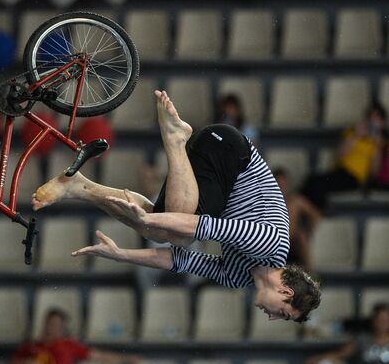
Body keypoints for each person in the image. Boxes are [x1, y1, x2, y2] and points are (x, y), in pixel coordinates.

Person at [32, 90, 321, 323]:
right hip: (229, 151)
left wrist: (121, 254)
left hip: (212, 175)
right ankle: (175, 139)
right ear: (285, 291)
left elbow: (178, 260)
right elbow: (202, 227)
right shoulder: (269, 245)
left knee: (160, 226)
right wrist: (148, 220)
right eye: (282, 313)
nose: (271, 318)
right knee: (174, 229)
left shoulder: (237, 277)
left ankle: (79, 187)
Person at [302, 102, 386, 209]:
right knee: (311, 181)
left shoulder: (380, 143)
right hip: (340, 171)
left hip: (355, 179)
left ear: (382, 123)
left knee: (315, 184)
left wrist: (377, 147)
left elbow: (374, 172)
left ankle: (317, 211)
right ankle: (316, 210)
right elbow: (339, 155)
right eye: (370, 119)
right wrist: (356, 135)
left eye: (376, 120)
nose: (372, 123)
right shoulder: (353, 132)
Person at [11, 309, 140, 364]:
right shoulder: (30, 347)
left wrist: (126, 359)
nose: (52, 328)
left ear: (62, 329)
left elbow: (98, 355)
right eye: (50, 324)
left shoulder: (69, 345)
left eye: (56, 325)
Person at [305, 303, 389, 364]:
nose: (382, 323)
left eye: (385, 320)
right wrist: (317, 359)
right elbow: (340, 354)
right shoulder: (363, 339)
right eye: (379, 320)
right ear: (373, 321)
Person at [273, 168, 322, 270]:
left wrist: (309, 231)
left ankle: (310, 273)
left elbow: (315, 214)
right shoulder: (267, 202)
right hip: (274, 241)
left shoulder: (296, 200)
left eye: (283, 184)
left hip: (293, 241)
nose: (281, 187)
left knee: (301, 236)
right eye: (278, 184)